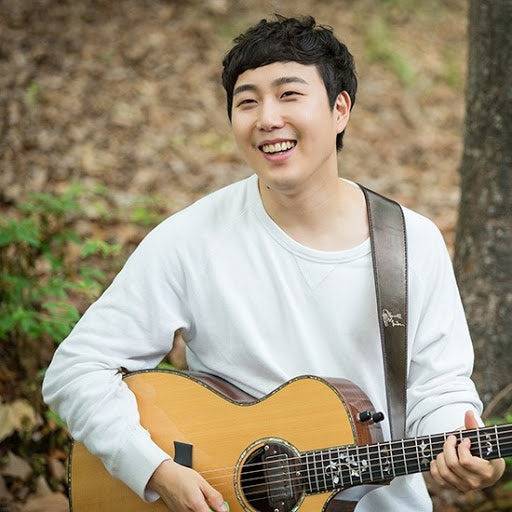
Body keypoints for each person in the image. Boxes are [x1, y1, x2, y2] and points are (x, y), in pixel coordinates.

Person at [41, 13, 505, 512]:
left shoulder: (411, 242)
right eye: (247, 102)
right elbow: (76, 369)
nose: (267, 119)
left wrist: (462, 446)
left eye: (289, 95)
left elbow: (439, 386)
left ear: (340, 109)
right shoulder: (191, 239)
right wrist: (153, 469)